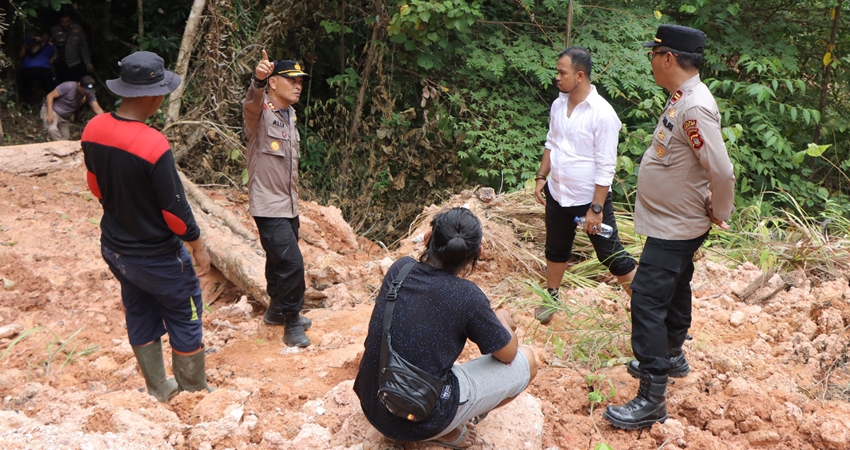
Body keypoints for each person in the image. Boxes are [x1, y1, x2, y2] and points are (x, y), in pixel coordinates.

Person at [603, 25, 735, 430]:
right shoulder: (683, 97)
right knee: (675, 286)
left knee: (646, 300)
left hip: (676, 225)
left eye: (653, 54)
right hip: (673, 221)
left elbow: (722, 171)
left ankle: (651, 397)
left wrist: (721, 209)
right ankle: (673, 353)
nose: (651, 61)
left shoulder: (694, 107)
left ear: (668, 58)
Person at [81, 51, 214, 403]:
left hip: (115, 248)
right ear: (155, 96)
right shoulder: (153, 145)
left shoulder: (93, 129)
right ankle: (194, 392)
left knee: (138, 309)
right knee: (185, 315)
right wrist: (197, 245)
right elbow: (174, 211)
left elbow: (94, 185)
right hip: (158, 256)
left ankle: (159, 388)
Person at [354, 207, 537, 449]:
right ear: (478, 254)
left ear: (428, 239)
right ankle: (442, 429)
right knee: (529, 360)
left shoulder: (401, 268)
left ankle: (432, 422)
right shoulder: (468, 297)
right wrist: (501, 319)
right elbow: (508, 354)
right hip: (417, 416)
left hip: (373, 402)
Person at [533, 47, 637, 324]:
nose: (556, 77)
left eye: (561, 72)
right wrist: (541, 177)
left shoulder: (602, 114)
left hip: (588, 201)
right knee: (555, 248)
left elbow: (606, 167)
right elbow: (552, 142)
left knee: (612, 256)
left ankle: (647, 308)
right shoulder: (558, 104)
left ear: (580, 76)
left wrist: (596, 208)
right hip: (558, 194)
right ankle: (550, 298)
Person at [243, 49, 313, 347]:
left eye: (300, 81)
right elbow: (251, 103)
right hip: (268, 204)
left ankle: (274, 310)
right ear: (273, 82)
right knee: (292, 263)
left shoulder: (289, 114)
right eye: (291, 79)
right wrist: (258, 82)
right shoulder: (260, 114)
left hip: (289, 204)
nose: (298, 85)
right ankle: (292, 321)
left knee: (278, 260)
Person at [41, 75, 104, 141]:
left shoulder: (89, 94)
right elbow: (50, 96)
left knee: (65, 138)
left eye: (88, 92)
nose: (86, 93)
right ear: (79, 86)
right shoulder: (68, 86)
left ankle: (62, 146)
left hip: (65, 117)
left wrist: (105, 121)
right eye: (85, 91)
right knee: (52, 129)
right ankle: (63, 148)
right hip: (53, 110)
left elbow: (97, 109)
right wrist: (49, 113)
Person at [50, 12, 93, 83]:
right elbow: (51, 46)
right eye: (63, 22)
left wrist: (87, 62)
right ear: (60, 22)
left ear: (71, 21)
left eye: (67, 22)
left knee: (78, 84)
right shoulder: (54, 31)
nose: (65, 24)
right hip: (61, 64)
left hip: (75, 63)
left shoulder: (78, 29)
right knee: (63, 84)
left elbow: (83, 46)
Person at [18, 30, 56, 105]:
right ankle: (52, 104)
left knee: (26, 87)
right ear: (50, 37)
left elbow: (21, 55)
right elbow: (50, 62)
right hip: (44, 69)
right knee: (49, 89)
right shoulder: (52, 47)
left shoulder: (29, 41)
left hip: (28, 68)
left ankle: (27, 105)